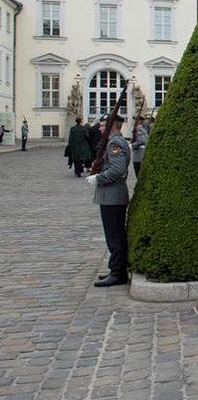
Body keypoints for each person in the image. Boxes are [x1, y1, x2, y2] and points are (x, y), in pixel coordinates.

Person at [85, 115, 131, 287]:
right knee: (113, 236)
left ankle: (118, 273)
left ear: (113, 127)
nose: (100, 129)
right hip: (111, 196)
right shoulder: (113, 142)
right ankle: (116, 269)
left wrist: (99, 178)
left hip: (113, 196)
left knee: (115, 237)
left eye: (103, 125)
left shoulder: (115, 143)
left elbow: (117, 170)